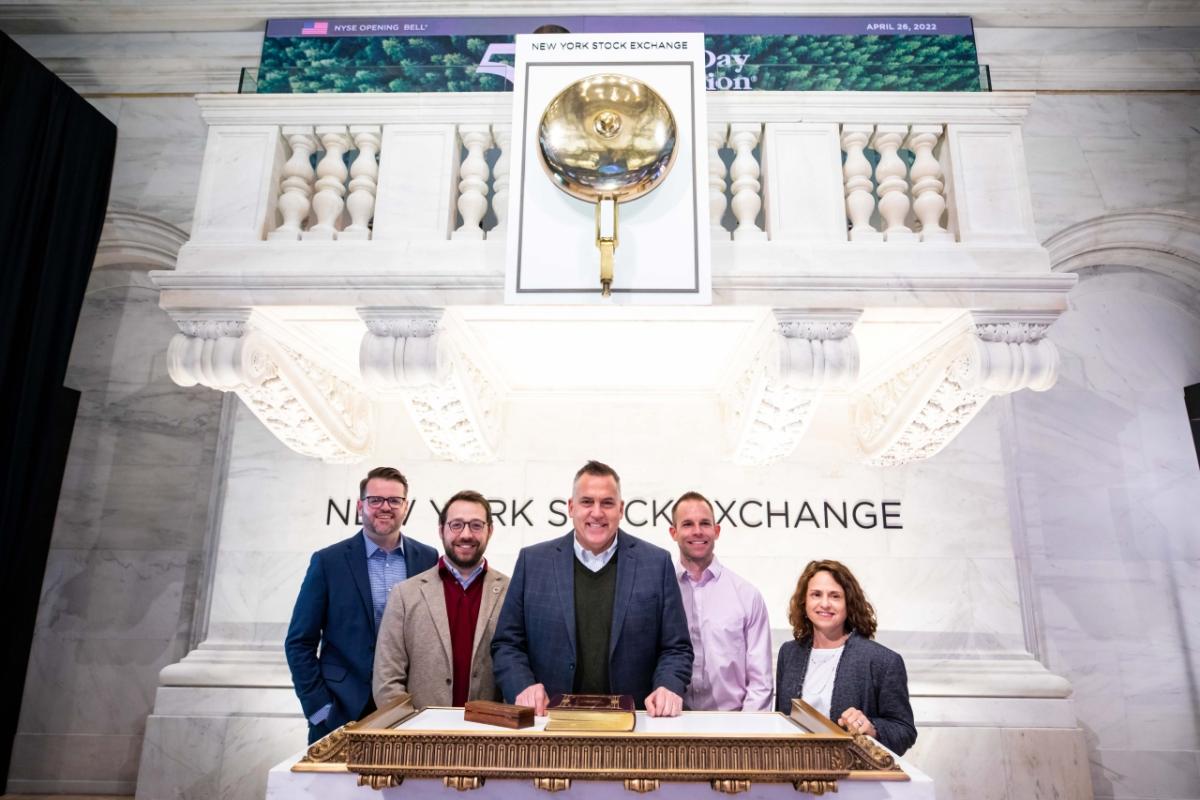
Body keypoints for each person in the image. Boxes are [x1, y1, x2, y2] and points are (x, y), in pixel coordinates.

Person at [491, 460, 692, 716]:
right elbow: (507, 644)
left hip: (634, 726)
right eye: (587, 502)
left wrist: (668, 686)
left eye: (607, 503)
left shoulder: (656, 563)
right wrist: (522, 685)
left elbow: (676, 648)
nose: (597, 512)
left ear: (621, 509)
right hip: (549, 726)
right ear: (571, 508)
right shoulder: (533, 562)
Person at [285, 466, 438, 743]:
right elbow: (299, 642)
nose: (385, 507)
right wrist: (320, 709)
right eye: (375, 500)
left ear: (406, 507)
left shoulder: (427, 558)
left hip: (407, 710)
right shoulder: (328, 562)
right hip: (340, 711)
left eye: (394, 500)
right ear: (360, 506)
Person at [373, 490, 510, 709]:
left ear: (490, 531)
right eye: (456, 525)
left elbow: (517, 673)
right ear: (441, 530)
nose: (466, 534)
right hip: (421, 735)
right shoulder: (405, 595)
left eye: (476, 525)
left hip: (489, 736)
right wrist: (410, 731)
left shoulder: (511, 592)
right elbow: (387, 679)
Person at [774, 559, 917, 755]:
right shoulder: (789, 653)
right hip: (796, 774)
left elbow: (905, 731)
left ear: (848, 603)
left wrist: (871, 728)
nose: (824, 604)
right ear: (804, 602)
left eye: (835, 596)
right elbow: (781, 721)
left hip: (854, 777)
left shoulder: (883, 661)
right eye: (816, 595)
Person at [669, 491, 772, 711]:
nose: (697, 531)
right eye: (687, 524)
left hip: (733, 727)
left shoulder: (747, 595)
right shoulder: (659, 592)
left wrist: (746, 736)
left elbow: (760, 682)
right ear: (673, 532)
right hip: (668, 725)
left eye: (705, 523)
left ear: (716, 531)